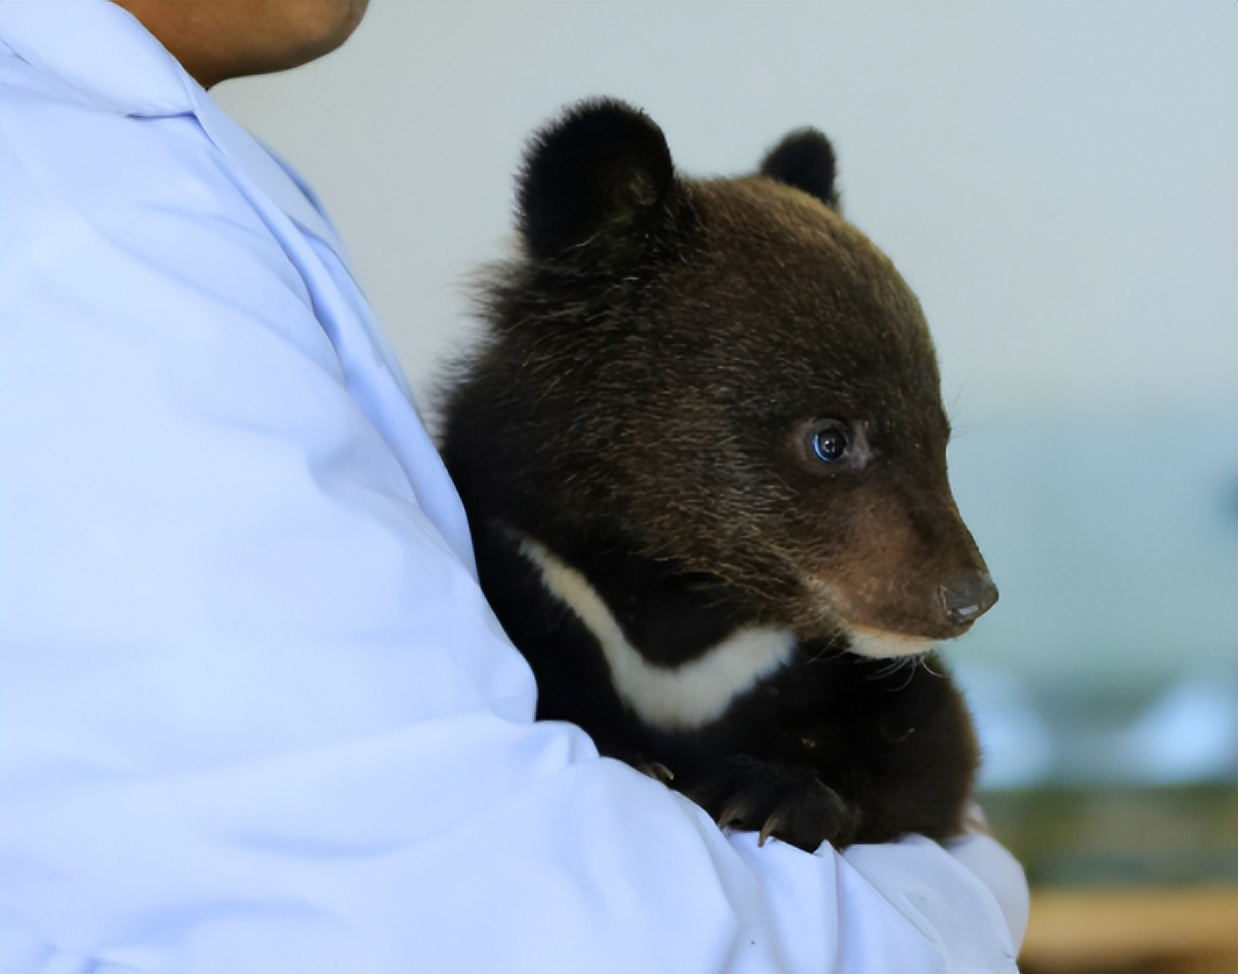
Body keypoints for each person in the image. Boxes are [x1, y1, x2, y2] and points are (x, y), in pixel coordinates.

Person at [0, 2, 1028, 971]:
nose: (961, 576)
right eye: (828, 445)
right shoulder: (81, 228)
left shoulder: (139, 177)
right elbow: (503, 901)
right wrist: (959, 902)